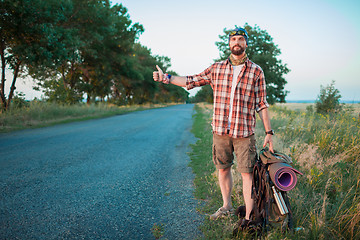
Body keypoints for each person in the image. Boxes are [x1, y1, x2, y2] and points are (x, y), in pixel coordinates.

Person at [153, 27, 274, 228]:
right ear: (229, 43)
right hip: (220, 131)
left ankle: (249, 217)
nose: (237, 42)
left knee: (247, 174)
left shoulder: (256, 71)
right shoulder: (216, 68)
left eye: (241, 39)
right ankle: (226, 206)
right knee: (223, 169)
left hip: (244, 133)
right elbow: (191, 81)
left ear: (245, 44)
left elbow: (261, 104)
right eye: (233, 39)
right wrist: (167, 77)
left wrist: (269, 132)